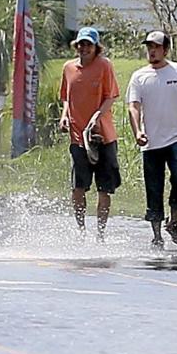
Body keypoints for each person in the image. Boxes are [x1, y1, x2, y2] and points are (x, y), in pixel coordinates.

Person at [126, 31, 177, 248]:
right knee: (154, 187)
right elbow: (133, 106)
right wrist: (137, 131)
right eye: (149, 47)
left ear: (165, 49)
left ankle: (173, 221)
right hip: (151, 142)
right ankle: (156, 234)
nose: (152, 51)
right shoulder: (139, 76)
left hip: (176, 137)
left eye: (156, 47)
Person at [59, 26, 121, 238]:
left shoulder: (104, 66)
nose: (84, 48)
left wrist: (97, 116)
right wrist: (65, 115)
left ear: (96, 47)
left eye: (88, 44)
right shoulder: (68, 68)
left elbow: (111, 96)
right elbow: (66, 96)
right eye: (81, 44)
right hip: (78, 137)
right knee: (78, 188)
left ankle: (100, 233)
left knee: (104, 189)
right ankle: (81, 230)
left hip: (102, 136)